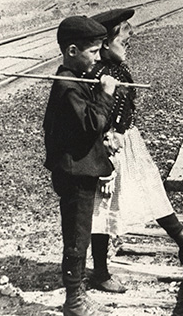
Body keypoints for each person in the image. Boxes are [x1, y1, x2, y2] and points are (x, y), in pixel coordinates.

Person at [86, 8, 183, 294]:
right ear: (106, 44)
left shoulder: (119, 69)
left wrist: (123, 131)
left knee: (151, 188)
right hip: (106, 146)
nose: (128, 48)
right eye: (124, 43)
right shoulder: (96, 75)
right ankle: (99, 271)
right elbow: (94, 117)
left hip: (128, 141)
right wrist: (108, 141)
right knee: (103, 206)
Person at [43, 16, 119, 316]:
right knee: (76, 236)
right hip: (74, 172)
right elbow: (91, 123)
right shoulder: (67, 86)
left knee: (82, 232)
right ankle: (74, 300)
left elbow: (87, 128)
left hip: (81, 168)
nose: (98, 57)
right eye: (93, 51)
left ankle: (79, 295)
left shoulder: (75, 81)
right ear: (72, 51)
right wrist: (106, 95)